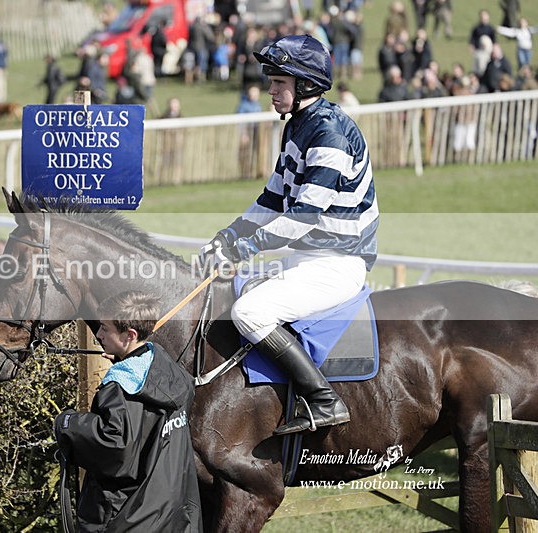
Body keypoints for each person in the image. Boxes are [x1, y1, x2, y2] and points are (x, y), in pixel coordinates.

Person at [200, 35, 378, 435]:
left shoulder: (329, 134)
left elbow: (301, 218)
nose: (271, 89)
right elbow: (272, 199)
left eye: (280, 82)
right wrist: (227, 235)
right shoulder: (299, 126)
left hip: (337, 263)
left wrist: (242, 249)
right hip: (310, 258)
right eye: (271, 80)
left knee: (250, 312)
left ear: (306, 86)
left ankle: (323, 399)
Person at [54, 291, 202, 532]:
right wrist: (124, 360)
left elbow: (115, 444)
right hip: (173, 515)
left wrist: (67, 423)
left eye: (104, 328)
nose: (99, 335)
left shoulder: (120, 386)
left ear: (129, 335)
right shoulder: (169, 372)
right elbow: (145, 423)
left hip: (130, 518)